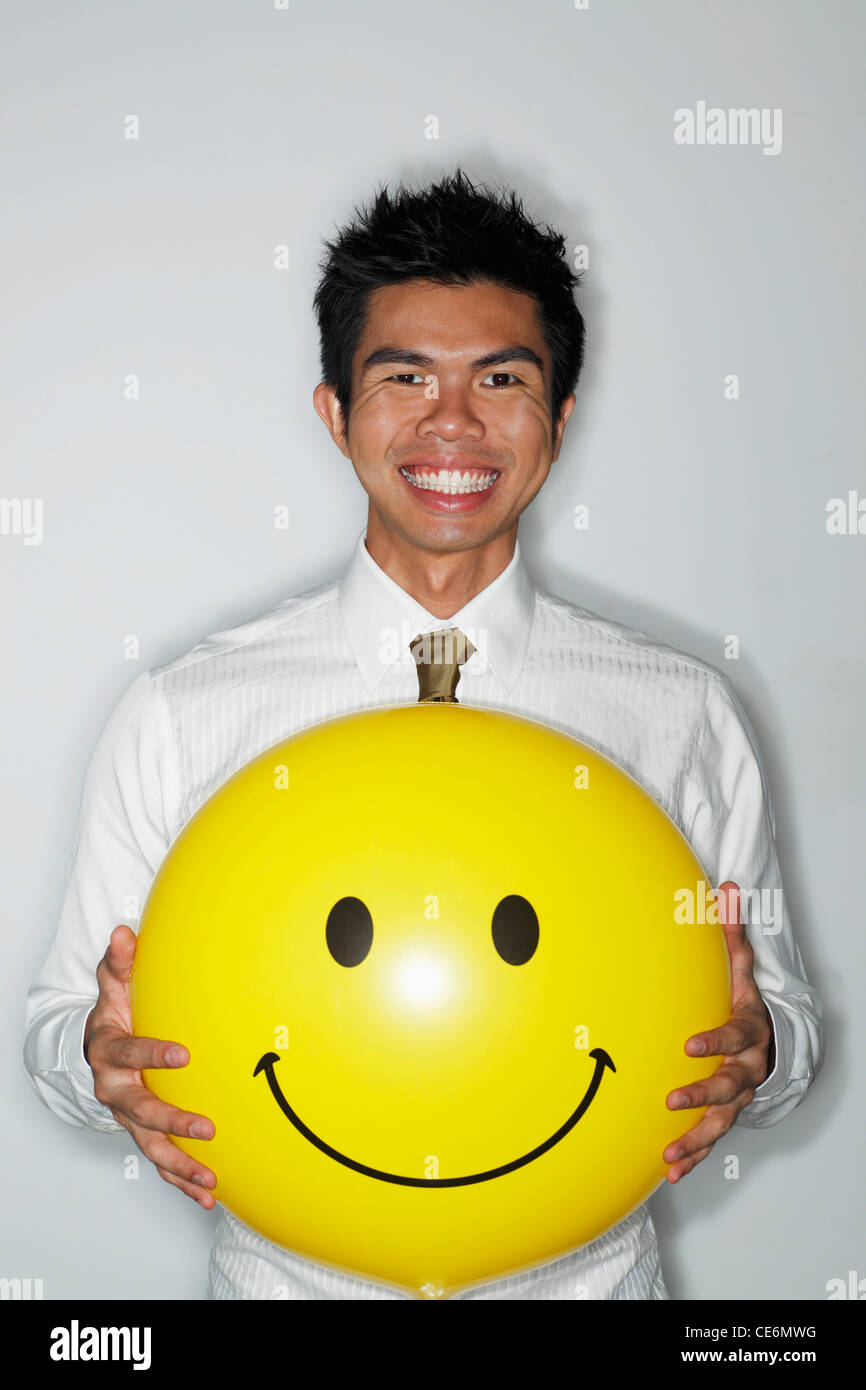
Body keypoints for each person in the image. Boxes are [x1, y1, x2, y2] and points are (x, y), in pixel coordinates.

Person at [22, 168, 823, 1300]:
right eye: (405, 377)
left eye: (500, 378)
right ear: (335, 412)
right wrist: (94, 1062)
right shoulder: (187, 709)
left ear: (557, 420)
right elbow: (61, 1029)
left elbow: (778, 1020)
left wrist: (767, 1048)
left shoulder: (679, 711)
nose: (453, 421)